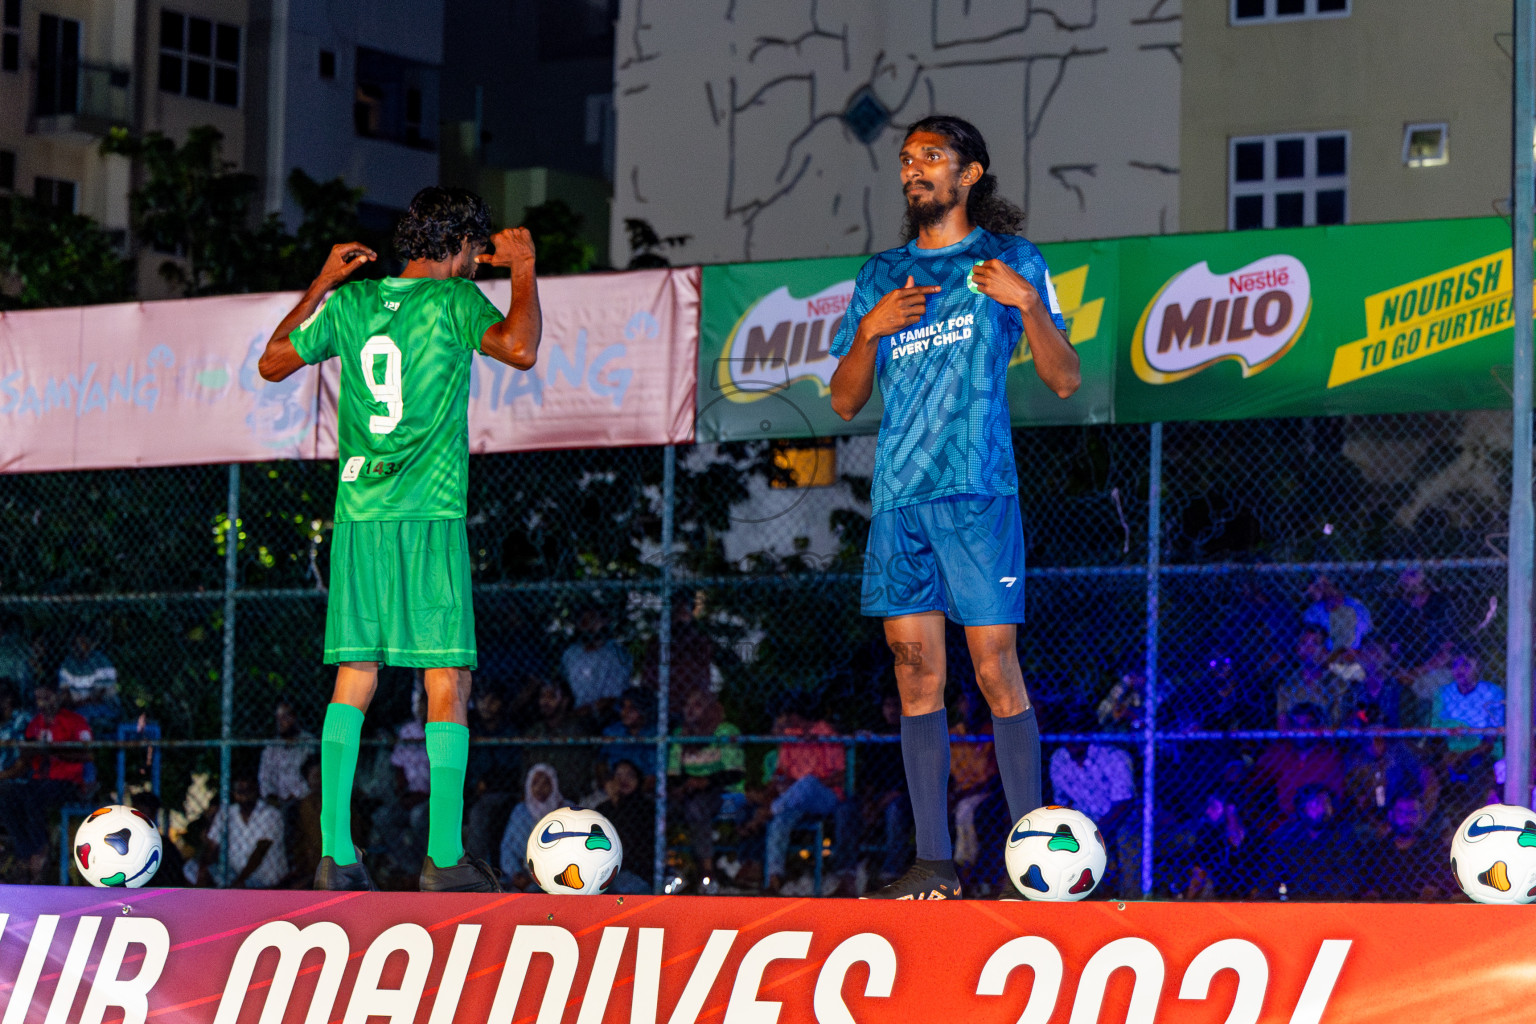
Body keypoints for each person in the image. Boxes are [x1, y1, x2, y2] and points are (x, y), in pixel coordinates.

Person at [259, 185, 542, 893]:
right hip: (427, 515)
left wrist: (323, 281)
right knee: (448, 681)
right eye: (478, 253)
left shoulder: (352, 305)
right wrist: (525, 268)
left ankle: (334, 853)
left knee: (354, 678)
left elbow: (270, 362)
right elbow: (523, 347)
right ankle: (444, 859)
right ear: (455, 247)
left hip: (358, 518)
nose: (480, 265)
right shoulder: (452, 304)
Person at [828, 114, 1079, 899]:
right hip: (900, 499)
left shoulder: (1011, 261)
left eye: (931, 157)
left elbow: (1065, 377)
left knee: (995, 665)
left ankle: (1033, 856)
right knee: (913, 674)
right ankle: (934, 862)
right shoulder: (882, 275)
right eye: (906, 159)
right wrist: (867, 331)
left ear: (970, 174)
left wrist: (1028, 307)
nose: (914, 170)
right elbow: (842, 402)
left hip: (975, 494)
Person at [0, 682, 93, 883]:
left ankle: (40, 852)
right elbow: (25, 763)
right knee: (6, 793)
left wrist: (52, 749)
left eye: (47, 697)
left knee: (35, 796)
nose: (42, 703)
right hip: (39, 780)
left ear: (58, 696)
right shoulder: (35, 724)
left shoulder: (75, 721)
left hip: (67, 782)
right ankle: (27, 853)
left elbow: (87, 753)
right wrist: (28, 752)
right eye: (39, 699)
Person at [666, 689, 745, 895]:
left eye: (698, 705)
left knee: (696, 808)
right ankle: (667, 870)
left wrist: (705, 781)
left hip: (723, 791)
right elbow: (673, 774)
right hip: (688, 790)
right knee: (657, 808)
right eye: (687, 706)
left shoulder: (725, 731)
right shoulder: (680, 735)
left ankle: (707, 873)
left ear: (711, 709)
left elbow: (734, 773)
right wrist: (686, 784)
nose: (690, 711)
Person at [1048, 740, 1137, 896]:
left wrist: (1098, 831)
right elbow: (1063, 801)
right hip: (1084, 821)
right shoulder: (1060, 758)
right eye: (1068, 733)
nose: (1073, 738)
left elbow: (1124, 803)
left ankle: (1133, 898)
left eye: (1077, 732)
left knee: (1126, 837)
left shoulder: (1112, 756)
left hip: (1119, 820)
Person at [464, 684, 522, 865]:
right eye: (482, 700)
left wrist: (487, 782)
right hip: (473, 790)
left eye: (491, 701)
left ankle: (473, 871)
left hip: (501, 792)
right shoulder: (472, 728)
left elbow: (512, 771)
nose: (486, 706)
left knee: (479, 813)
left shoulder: (509, 730)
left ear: (500, 703)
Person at [1270, 782, 1357, 900]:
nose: (1323, 808)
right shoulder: (1288, 839)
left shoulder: (1342, 835)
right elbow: (1272, 878)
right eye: (1316, 803)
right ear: (1302, 809)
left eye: (1326, 803)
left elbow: (1348, 877)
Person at [199, 775, 288, 890]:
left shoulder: (271, 814)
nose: (244, 795)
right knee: (194, 870)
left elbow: (260, 851)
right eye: (240, 791)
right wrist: (202, 868)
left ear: (256, 790)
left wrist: (239, 882)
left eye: (248, 790)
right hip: (235, 875)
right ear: (234, 793)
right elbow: (212, 847)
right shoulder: (226, 814)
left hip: (266, 881)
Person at [499, 763, 565, 890]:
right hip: (523, 875)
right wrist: (516, 874)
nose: (540, 788)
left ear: (553, 784)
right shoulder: (520, 812)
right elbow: (508, 848)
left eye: (545, 783)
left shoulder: (566, 809)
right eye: (535, 783)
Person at [560, 606, 632, 722]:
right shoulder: (570, 653)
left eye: (592, 620)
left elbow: (612, 698)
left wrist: (580, 713)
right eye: (583, 620)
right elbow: (564, 688)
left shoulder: (615, 654)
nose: (587, 624)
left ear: (604, 623)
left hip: (607, 715)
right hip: (575, 714)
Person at [594, 759, 655, 894]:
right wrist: (615, 803)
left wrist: (618, 804)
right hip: (606, 871)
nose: (623, 780)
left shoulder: (647, 808)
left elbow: (633, 840)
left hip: (638, 871)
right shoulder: (603, 809)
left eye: (629, 775)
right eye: (618, 776)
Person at [57, 628, 120, 734]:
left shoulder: (102, 662)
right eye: (75, 643)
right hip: (77, 709)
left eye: (82, 642)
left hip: (103, 709)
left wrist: (78, 701)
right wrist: (74, 702)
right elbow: (64, 694)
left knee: (88, 716)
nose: (78, 646)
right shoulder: (67, 664)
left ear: (90, 643)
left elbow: (99, 696)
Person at [258, 700, 313, 808]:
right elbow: (264, 779)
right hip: (275, 802)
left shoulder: (309, 743)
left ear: (295, 718)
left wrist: (296, 797)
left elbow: (312, 778)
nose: (281, 721)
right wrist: (274, 799)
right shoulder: (271, 747)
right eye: (278, 717)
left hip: (302, 800)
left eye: (286, 716)